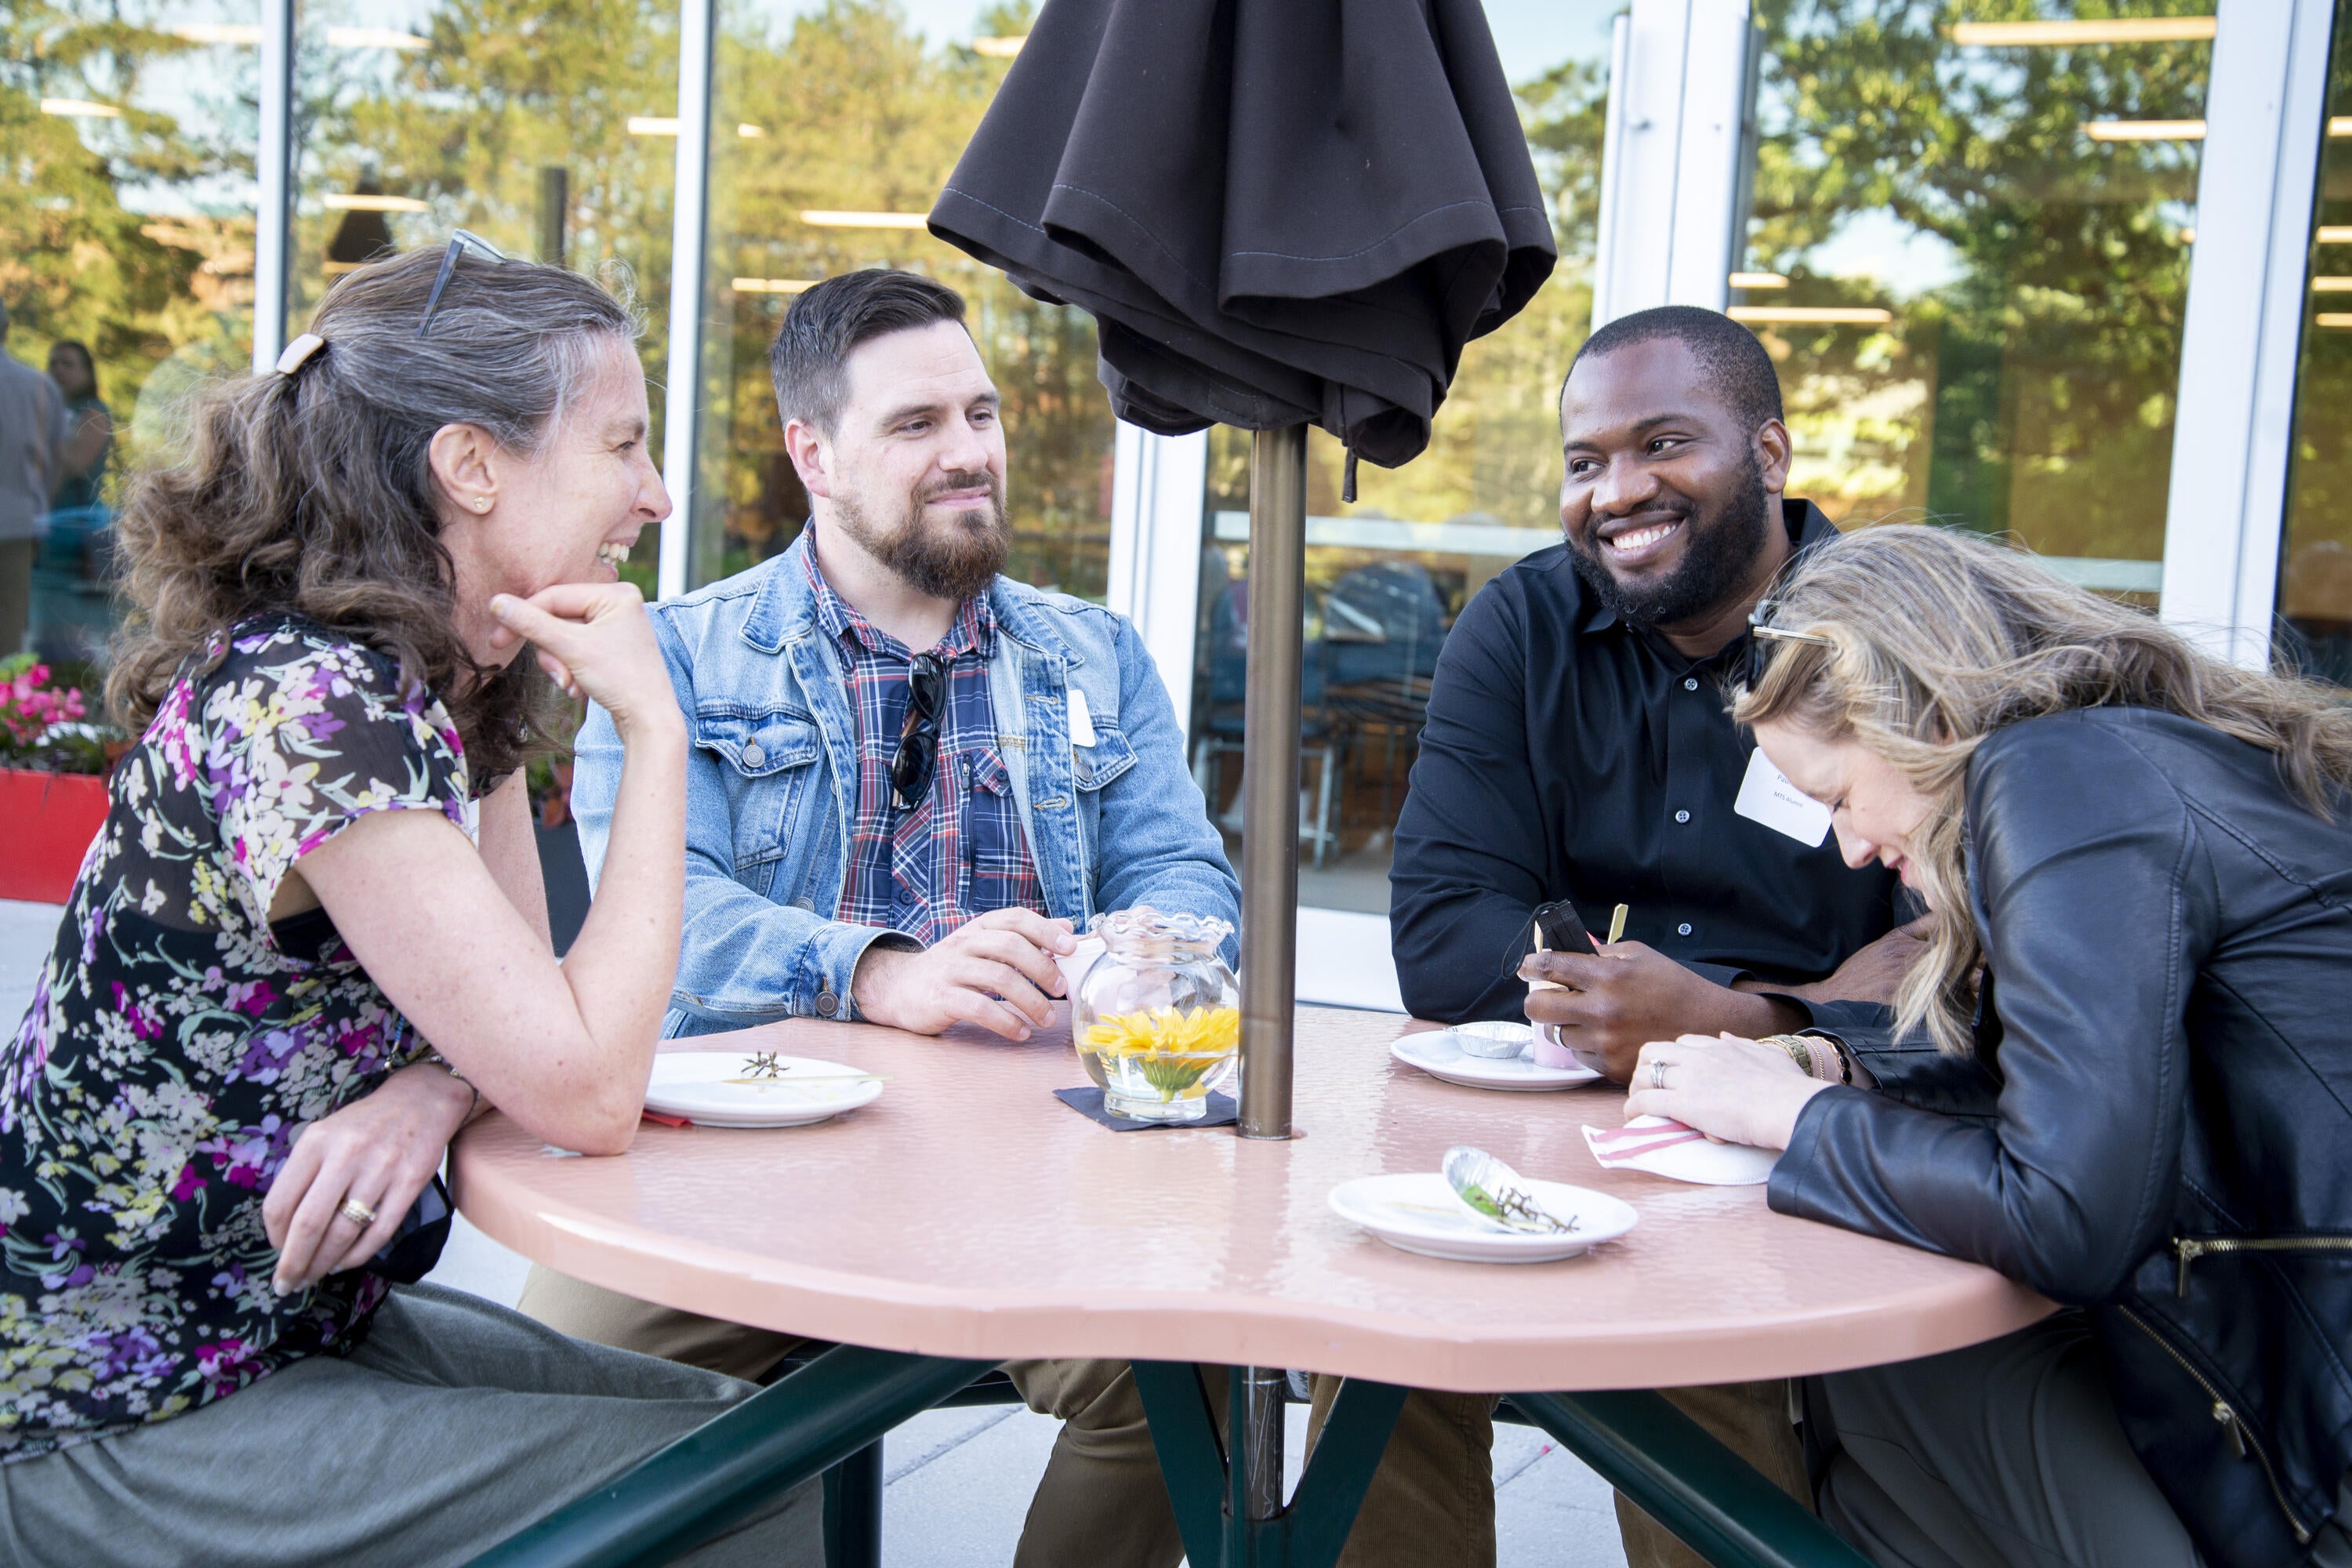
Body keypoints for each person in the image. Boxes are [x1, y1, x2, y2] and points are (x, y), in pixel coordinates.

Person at [0, 244, 822, 1566]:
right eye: (620, 444)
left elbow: (520, 1025)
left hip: (272, 1325)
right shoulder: (312, 707)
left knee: (762, 1444)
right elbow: (587, 1091)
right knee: (739, 1487)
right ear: (472, 465)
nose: (657, 495)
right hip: (103, 1408)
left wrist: (434, 1087)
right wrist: (657, 730)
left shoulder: (424, 679)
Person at [518, 267, 1266, 1568]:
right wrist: (879, 973)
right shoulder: (681, 656)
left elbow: (1193, 891)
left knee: (1182, 1374)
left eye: (980, 415)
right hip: (728, 1176)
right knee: (543, 1406)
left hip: (1040, 1186)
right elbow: (665, 919)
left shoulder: (1096, 656)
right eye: (918, 425)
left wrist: (1121, 957)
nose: (970, 451)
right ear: (813, 452)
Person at [1628, 524, 2352, 1568]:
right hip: (2291, 1396)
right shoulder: (2151, 755)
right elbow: (2097, 1083)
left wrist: (1793, 1116)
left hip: (2310, 1474)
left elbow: (2066, 1218)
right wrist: (1839, 1064)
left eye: (1836, 796)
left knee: (1874, 1343)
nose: (1850, 846)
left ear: (1913, 710)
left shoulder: (2057, 774)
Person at [1388, 304, 1920, 1566]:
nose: (1618, 492)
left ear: (1773, 455)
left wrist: (1735, 1023)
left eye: (1664, 445)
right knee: (1385, 1337)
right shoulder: (1518, 632)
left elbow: (1942, 980)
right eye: (1585, 462)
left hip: (1793, 1152)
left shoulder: (1887, 642)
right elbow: (1444, 939)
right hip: (1539, 1118)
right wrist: (1797, 991)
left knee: (1699, 1350)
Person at [0, 300, 69, 655]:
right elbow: (57, 463)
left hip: (21, 518)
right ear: (7, 327)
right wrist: (42, 505)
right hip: (20, 520)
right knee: (10, 621)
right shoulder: (39, 386)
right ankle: (8, 701)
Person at [45, 340, 111, 518]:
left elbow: (74, 465)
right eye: (53, 363)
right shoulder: (45, 409)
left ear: (87, 373)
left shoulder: (93, 411)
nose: (58, 369)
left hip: (74, 519)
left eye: (67, 364)